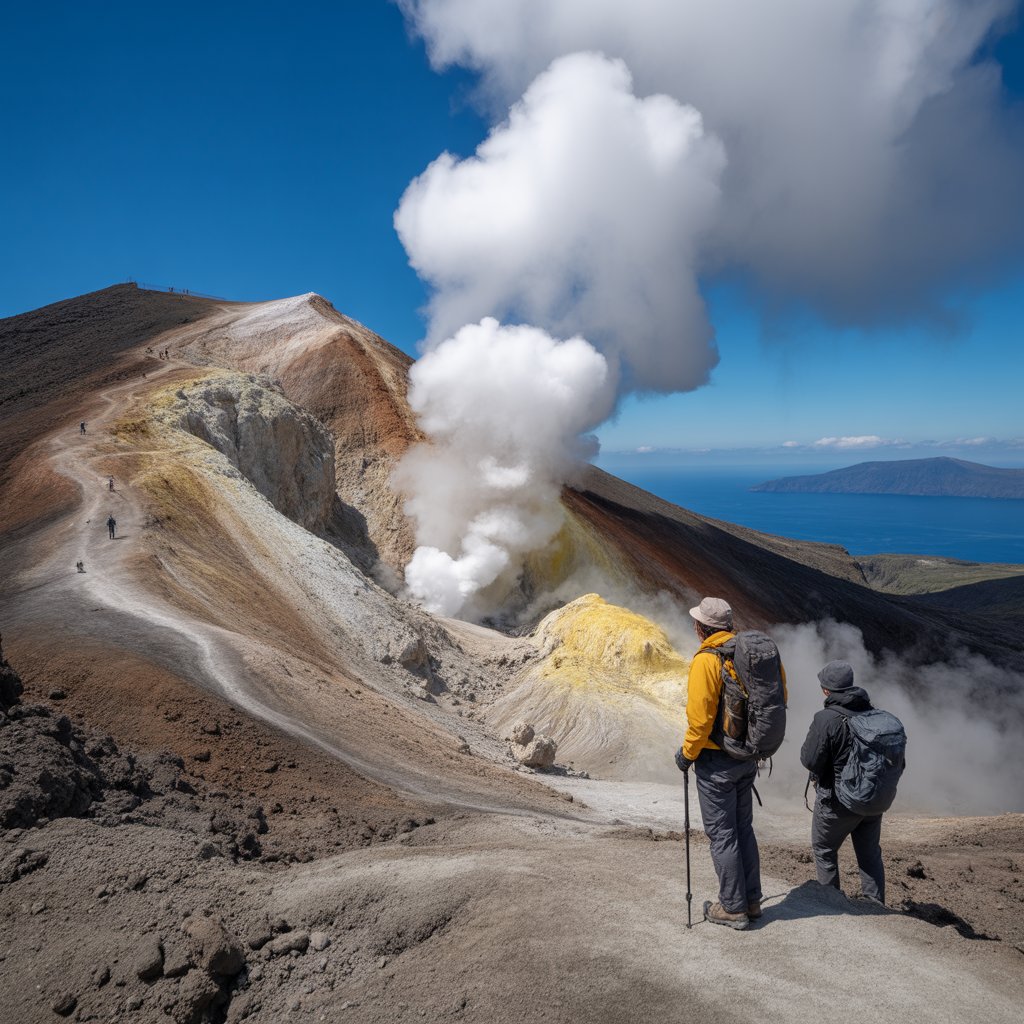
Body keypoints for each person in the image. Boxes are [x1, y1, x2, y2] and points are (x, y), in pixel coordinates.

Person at [675, 597, 783, 930]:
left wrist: (687, 754)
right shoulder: (750, 655)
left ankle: (733, 908)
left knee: (722, 834)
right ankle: (752, 900)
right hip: (746, 757)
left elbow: (701, 719)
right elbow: (781, 698)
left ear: (700, 628)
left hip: (715, 761)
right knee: (742, 829)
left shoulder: (707, 660)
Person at [799, 661, 891, 904]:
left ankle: (832, 905)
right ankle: (875, 905)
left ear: (827, 690)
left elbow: (809, 759)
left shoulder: (826, 719)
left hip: (838, 802)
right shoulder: (872, 714)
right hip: (872, 800)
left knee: (824, 850)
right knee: (869, 853)